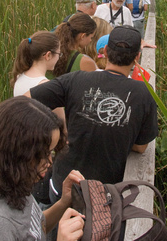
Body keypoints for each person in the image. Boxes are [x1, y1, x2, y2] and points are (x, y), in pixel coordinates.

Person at [25, 26, 158, 204]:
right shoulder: (143, 93)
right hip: (104, 194)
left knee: (58, 228)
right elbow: (141, 147)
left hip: (64, 183)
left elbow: (26, 100)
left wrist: (56, 131)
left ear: (106, 52)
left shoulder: (75, 79)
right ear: (137, 57)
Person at [0, 97, 85, 241]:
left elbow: (35, 228)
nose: (49, 162)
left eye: (51, 153)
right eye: (43, 154)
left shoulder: (13, 185)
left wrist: (63, 202)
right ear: (16, 154)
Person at [11, 31, 61, 97]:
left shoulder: (19, 77)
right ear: (48, 55)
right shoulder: (48, 87)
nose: (59, 58)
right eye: (59, 54)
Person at [51, 13, 97, 77]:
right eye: (91, 37)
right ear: (83, 36)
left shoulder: (49, 53)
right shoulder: (86, 63)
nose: (90, 40)